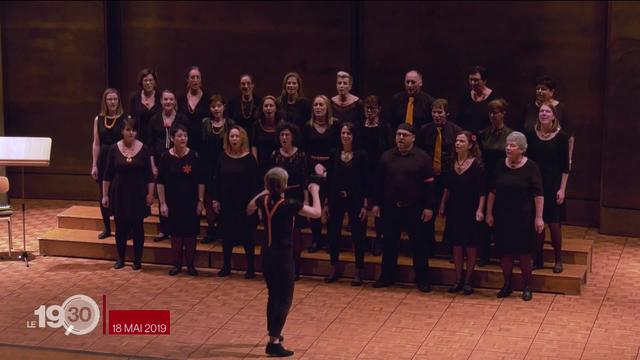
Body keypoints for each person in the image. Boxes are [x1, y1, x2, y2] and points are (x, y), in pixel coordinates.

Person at [246, 168, 321, 358]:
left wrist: (265, 191)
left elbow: (249, 208)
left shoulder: (262, 201)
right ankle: (274, 341)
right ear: (285, 185)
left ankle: (274, 333)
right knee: (285, 298)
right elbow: (316, 213)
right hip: (283, 257)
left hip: (267, 255)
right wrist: (314, 192)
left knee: (273, 295)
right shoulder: (289, 204)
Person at [372, 123, 435, 292]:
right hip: (391, 208)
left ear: (413, 138)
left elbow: (429, 186)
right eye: (398, 134)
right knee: (389, 243)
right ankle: (387, 276)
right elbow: (378, 182)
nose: (400, 138)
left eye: (405, 135)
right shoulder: (386, 156)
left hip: (414, 208)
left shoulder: (422, 158)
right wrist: (376, 203)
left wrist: (429, 207)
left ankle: (422, 279)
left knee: (418, 245)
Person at [485, 131, 544, 301]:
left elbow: (538, 193)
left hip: (524, 217)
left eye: (512, 145)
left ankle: (527, 286)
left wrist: (539, 217)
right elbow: (492, 191)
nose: (508, 148)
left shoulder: (531, 167)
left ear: (522, 149)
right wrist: (489, 212)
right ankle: (507, 284)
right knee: (505, 252)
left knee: (525, 253)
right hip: (502, 215)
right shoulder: (499, 165)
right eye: (507, 144)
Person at [101, 117, 154, 270]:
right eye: (128, 130)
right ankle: (121, 258)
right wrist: (105, 195)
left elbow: (149, 175)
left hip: (138, 194)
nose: (131, 133)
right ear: (122, 131)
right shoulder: (113, 149)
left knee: (138, 227)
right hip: (119, 194)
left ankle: (137, 260)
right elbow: (107, 174)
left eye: (133, 130)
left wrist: (150, 194)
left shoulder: (144, 149)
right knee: (120, 226)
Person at [439, 131, 485, 295]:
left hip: (471, 209)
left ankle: (468, 281)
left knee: (470, 246)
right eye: (456, 141)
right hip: (454, 208)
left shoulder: (477, 165)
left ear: (470, 145)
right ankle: (458, 279)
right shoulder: (451, 162)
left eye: (461, 141)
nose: (457, 143)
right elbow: (448, 187)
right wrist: (443, 204)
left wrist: (480, 209)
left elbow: (482, 191)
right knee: (456, 245)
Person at [526, 103, 570, 273]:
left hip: (553, 186)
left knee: (554, 224)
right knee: (538, 223)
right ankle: (538, 258)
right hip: (535, 185)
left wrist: (562, 189)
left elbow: (565, 167)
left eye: (547, 111)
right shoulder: (531, 133)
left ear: (553, 116)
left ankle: (558, 259)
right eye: (541, 111)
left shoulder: (561, 137)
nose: (543, 113)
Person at [157, 123, 205, 276]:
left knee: (190, 235)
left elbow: (201, 181)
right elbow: (160, 181)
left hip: (190, 202)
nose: (183, 138)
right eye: (179, 135)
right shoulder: (165, 157)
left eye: (185, 135)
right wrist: (163, 203)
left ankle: (190, 265)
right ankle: (177, 265)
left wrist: (201, 200)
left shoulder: (194, 156)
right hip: (172, 203)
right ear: (172, 138)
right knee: (176, 235)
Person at [416, 99, 462, 256]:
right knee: (428, 211)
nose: (436, 115)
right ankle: (428, 247)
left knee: (452, 212)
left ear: (447, 113)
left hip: (448, 177)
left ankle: (449, 248)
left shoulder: (456, 131)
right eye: (434, 112)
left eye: (440, 112)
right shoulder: (424, 130)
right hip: (429, 178)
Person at [212, 126, 259, 278]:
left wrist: (253, 203)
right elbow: (217, 180)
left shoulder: (250, 159)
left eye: (237, 136)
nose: (234, 139)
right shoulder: (222, 157)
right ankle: (226, 266)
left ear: (242, 138)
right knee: (227, 236)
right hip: (227, 202)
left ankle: (250, 268)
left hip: (245, 203)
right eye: (231, 136)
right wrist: (216, 199)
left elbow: (255, 183)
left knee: (248, 237)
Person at [325, 122, 368, 286]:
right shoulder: (334, 153)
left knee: (358, 235)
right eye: (343, 133)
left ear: (354, 136)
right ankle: (333, 267)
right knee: (333, 234)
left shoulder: (362, 154)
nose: (345, 136)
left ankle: (359, 270)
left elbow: (366, 180)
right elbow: (329, 180)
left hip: (355, 199)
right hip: (336, 198)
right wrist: (327, 202)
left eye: (348, 133)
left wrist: (365, 204)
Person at [147, 90, 188, 241]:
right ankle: (164, 229)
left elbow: (186, 138)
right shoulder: (154, 119)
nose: (168, 102)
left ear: (175, 101)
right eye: (165, 99)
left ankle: (177, 227)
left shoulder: (182, 118)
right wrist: (152, 165)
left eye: (171, 99)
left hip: (178, 161)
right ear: (161, 101)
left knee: (177, 195)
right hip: (160, 162)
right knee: (162, 195)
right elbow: (150, 144)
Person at [477, 98, 513, 265]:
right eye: (490, 113)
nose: (493, 116)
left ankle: (503, 254)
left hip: (503, 179)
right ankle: (483, 254)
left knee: (502, 217)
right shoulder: (483, 133)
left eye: (496, 113)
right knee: (484, 217)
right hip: (486, 177)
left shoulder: (510, 135)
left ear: (503, 114)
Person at [302, 95, 340, 253]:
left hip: (332, 168)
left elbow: (339, 148)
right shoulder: (307, 126)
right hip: (313, 169)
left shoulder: (336, 125)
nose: (318, 107)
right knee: (315, 205)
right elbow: (304, 151)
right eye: (316, 105)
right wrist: (314, 166)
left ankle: (331, 241)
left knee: (331, 207)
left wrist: (328, 168)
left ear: (327, 108)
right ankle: (316, 239)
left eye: (321, 105)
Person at [271, 122, 308, 279]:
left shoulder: (301, 155)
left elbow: (305, 180)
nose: (284, 138)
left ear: (293, 137)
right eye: (281, 135)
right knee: (279, 233)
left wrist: (306, 200)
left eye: (287, 135)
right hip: (278, 197)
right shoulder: (274, 155)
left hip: (295, 195)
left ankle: (295, 268)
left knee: (295, 234)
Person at [358, 95, 393, 256]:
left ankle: (379, 239)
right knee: (362, 205)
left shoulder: (385, 127)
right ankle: (361, 239)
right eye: (367, 108)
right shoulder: (359, 127)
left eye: (373, 108)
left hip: (380, 172)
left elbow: (390, 150)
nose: (370, 111)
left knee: (380, 208)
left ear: (379, 109)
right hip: (362, 171)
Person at [200, 95, 236, 244]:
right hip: (208, 166)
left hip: (225, 165)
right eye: (213, 106)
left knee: (225, 197)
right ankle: (211, 229)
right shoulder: (205, 123)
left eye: (219, 105)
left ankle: (224, 228)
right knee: (209, 198)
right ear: (210, 108)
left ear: (224, 107)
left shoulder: (230, 124)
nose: (216, 109)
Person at [91, 88, 126, 239]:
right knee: (103, 194)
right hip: (104, 158)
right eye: (109, 99)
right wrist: (94, 164)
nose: (112, 102)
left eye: (115, 99)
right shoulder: (98, 119)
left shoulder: (125, 118)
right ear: (105, 102)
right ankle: (107, 228)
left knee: (120, 194)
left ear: (119, 101)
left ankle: (124, 228)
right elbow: (96, 143)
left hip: (119, 158)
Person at [521, 75, 575, 169]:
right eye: (538, 89)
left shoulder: (561, 109)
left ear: (552, 92)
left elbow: (569, 138)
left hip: (553, 160)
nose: (540, 91)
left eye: (543, 89)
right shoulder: (529, 107)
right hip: (531, 159)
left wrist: (569, 160)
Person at [456, 65, 501, 134]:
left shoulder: (494, 99)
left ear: (484, 81)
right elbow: (459, 121)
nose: (472, 83)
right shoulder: (465, 97)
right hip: (469, 139)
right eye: (470, 80)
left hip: (487, 139)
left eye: (476, 80)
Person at [178, 66, 210, 154]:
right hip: (185, 143)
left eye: (197, 77)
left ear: (200, 80)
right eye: (192, 77)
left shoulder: (208, 99)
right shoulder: (180, 100)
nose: (195, 80)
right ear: (187, 80)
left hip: (205, 144)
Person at [251, 95, 282, 183]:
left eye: (271, 106)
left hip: (278, 164)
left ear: (276, 108)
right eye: (266, 106)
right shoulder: (256, 125)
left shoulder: (282, 125)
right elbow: (254, 145)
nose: (268, 108)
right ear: (262, 109)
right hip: (261, 163)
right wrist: (255, 162)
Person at [128, 68, 161, 144]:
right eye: (145, 80)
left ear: (154, 82)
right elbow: (131, 118)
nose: (148, 83)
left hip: (157, 138)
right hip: (139, 138)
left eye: (150, 80)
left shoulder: (161, 97)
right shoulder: (134, 97)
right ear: (141, 82)